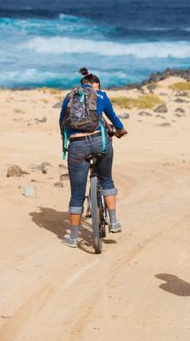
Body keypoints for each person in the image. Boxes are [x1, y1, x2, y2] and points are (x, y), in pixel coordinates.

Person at [59, 68, 127, 248]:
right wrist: (120, 131)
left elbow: (62, 124)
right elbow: (115, 119)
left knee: (77, 194)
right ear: (96, 86)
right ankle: (113, 221)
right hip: (100, 143)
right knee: (106, 180)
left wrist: (67, 142)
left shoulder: (69, 97)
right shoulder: (102, 96)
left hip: (77, 147)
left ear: (81, 85)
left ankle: (73, 238)